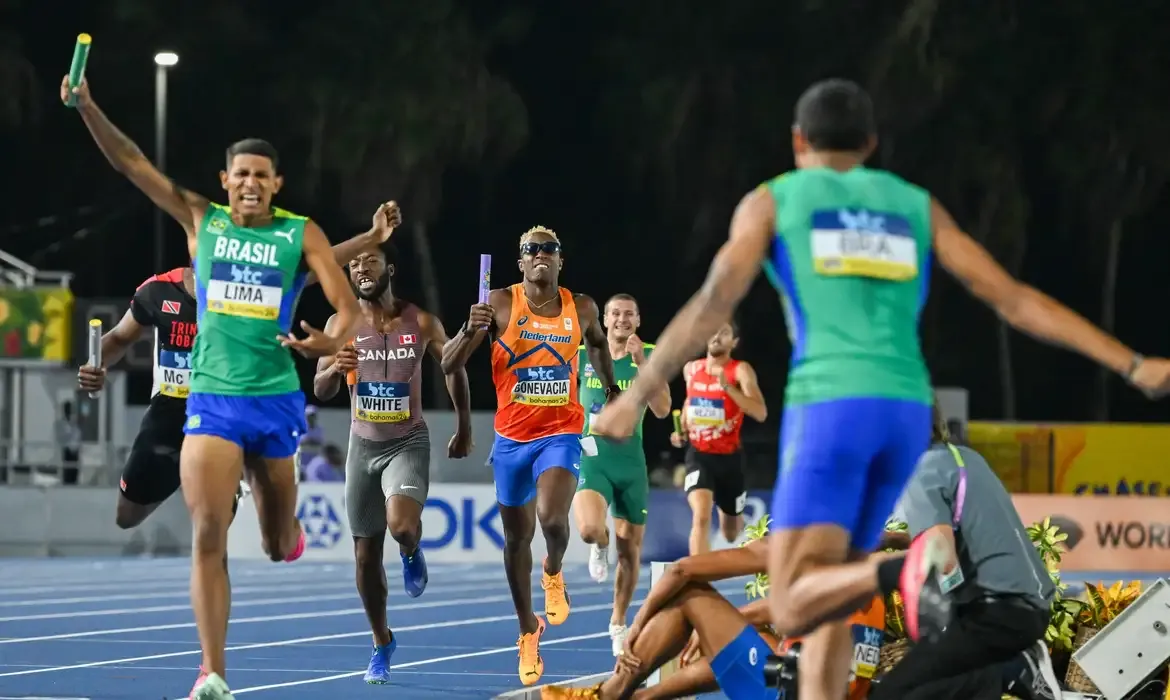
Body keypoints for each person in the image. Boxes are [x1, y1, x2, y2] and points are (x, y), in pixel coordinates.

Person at [590, 77, 1170, 700]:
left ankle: (902, 568)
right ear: (870, 141)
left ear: (797, 140)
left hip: (832, 407)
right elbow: (1012, 299)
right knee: (833, 604)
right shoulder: (913, 204)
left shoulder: (774, 200)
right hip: (905, 413)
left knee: (789, 603)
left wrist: (632, 396)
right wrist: (1131, 363)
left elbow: (711, 305)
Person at [64, 76, 379, 700]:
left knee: (273, 539)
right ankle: (212, 673)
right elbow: (133, 164)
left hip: (274, 399)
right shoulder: (201, 220)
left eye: (262, 174)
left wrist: (325, 341)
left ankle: (286, 534)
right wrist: (89, 107)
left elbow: (345, 309)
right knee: (207, 530)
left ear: (276, 184)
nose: (251, 183)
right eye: (241, 174)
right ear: (226, 178)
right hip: (209, 399)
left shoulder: (301, 234)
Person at [78, 218, 401, 530]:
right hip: (170, 410)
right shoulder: (158, 291)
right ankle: (187, 471)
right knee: (127, 516)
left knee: (213, 519)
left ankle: (227, 482)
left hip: (226, 409)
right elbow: (119, 338)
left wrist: (371, 237)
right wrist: (97, 363)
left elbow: (318, 264)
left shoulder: (247, 289)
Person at [442, 225, 618, 686]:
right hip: (511, 440)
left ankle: (554, 571)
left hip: (560, 432)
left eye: (549, 249)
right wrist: (467, 329)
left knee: (553, 519)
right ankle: (527, 629)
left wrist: (614, 388)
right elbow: (448, 364)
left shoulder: (581, 307)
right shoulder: (499, 303)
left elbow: (598, 345)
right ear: (520, 262)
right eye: (531, 250)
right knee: (516, 540)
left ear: (561, 260)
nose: (540, 254)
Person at [313, 238, 473, 684]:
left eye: (371, 261)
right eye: (356, 264)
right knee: (364, 559)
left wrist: (464, 428)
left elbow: (454, 365)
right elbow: (322, 388)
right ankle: (382, 642)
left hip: (406, 442)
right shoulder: (340, 323)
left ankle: (411, 549)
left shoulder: (419, 321)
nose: (362, 267)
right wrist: (331, 367)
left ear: (391, 269)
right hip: (361, 448)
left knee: (402, 526)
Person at [538, 533, 896, 700]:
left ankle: (609, 696)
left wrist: (637, 622)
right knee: (758, 639)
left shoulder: (789, 549)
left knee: (690, 598)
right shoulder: (864, 559)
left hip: (796, 693)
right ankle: (644, 699)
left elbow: (682, 572)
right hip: (844, 691)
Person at [868, 407, 1063, 700]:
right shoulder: (963, 458)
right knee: (963, 684)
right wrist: (893, 539)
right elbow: (960, 535)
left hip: (996, 615)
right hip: (1029, 607)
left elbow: (941, 561)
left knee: (894, 692)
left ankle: (1010, 668)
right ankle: (1003, 669)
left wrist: (871, 570)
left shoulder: (920, 472)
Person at [574, 293, 671, 655]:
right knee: (588, 529)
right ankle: (599, 546)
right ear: (604, 320)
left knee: (630, 553)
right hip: (592, 456)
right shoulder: (584, 354)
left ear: (638, 320)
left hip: (631, 461)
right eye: (615, 313)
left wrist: (641, 360)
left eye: (629, 314)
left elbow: (662, 410)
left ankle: (617, 623)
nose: (621, 320)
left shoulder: (649, 353)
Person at [670, 321, 766, 555]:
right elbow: (690, 402)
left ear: (734, 342)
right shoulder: (691, 369)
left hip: (730, 459)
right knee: (701, 515)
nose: (716, 336)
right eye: (713, 331)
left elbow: (760, 412)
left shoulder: (740, 370)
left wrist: (729, 388)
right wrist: (680, 430)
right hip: (699, 455)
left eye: (724, 333)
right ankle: (699, 577)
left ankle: (736, 523)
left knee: (730, 532)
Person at [54, 401, 81, 484]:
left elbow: (78, 435)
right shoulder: (60, 423)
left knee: (74, 472)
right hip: (66, 450)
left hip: (75, 450)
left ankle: (74, 483)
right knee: (67, 472)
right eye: (68, 410)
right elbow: (60, 437)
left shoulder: (75, 424)